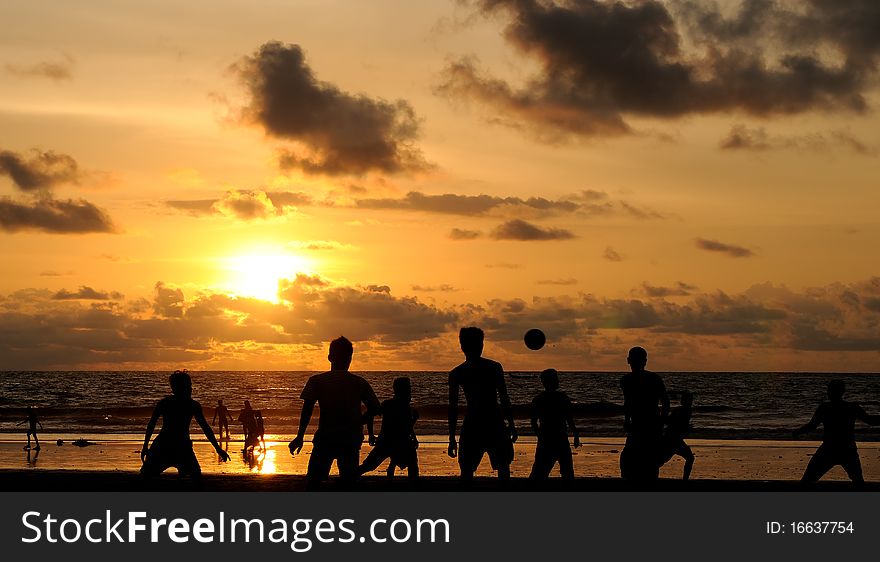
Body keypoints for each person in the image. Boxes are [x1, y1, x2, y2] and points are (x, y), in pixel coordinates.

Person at [289, 336, 380, 490]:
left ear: (330, 357)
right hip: (350, 439)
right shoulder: (359, 382)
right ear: (350, 358)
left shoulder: (317, 381)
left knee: (314, 483)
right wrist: (359, 421)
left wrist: (300, 436)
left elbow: (307, 410)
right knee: (348, 483)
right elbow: (376, 409)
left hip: (326, 438)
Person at [448, 326, 517, 486]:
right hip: (494, 421)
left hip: (473, 423)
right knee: (502, 468)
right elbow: (504, 398)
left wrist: (451, 437)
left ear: (462, 347)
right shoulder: (494, 367)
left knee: (467, 470)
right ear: (481, 345)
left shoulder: (458, 372)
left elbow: (453, 408)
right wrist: (511, 424)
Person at [140, 370, 230, 478]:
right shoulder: (188, 404)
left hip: (174, 445)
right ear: (178, 387)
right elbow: (152, 424)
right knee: (146, 478)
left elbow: (205, 428)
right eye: (188, 385)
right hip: (170, 446)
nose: (191, 388)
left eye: (190, 385)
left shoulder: (169, 403)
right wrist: (145, 446)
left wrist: (218, 448)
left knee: (195, 476)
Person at [793, 380, 880, 486]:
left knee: (807, 481)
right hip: (847, 449)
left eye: (830, 390)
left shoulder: (825, 407)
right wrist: (798, 432)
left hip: (829, 449)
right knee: (858, 482)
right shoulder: (851, 407)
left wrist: (797, 432)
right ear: (843, 391)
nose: (828, 392)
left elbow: (812, 425)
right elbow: (871, 421)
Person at [619, 346, 669, 482]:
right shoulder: (653, 379)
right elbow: (665, 401)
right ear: (645, 361)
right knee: (646, 463)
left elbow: (627, 403)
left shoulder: (627, 381)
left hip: (646, 426)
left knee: (635, 462)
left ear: (628, 360)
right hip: (647, 425)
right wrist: (662, 422)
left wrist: (627, 420)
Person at [359, 377, 420, 481]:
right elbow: (370, 414)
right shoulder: (395, 405)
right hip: (392, 442)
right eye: (408, 388)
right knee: (412, 465)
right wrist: (371, 434)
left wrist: (371, 434)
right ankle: (347, 479)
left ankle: (348, 478)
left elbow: (371, 414)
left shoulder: (393, 405)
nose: (410, 390)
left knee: (368, 466)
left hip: (389, 442)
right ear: (401, 390)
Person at [529, 369, 581, 482]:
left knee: (539, 472)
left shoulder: (539, 399)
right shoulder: (562, 398)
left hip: (547, 438)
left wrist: (540, 435)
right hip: (560, 438)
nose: (558, 381)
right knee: (566, 472)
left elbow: (533, 422)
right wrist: (576, 435)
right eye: (556, 379)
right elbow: (569, 419)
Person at [659, 391, 695, 480]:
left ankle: (685, 479)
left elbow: (669, 421)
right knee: (661, 460)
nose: (690, 402)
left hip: (673, 439)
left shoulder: (683, 410)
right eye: (688, 400)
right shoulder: (683, 411)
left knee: (661, 460)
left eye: (690, 400)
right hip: (673, 440)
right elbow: (671, 422)